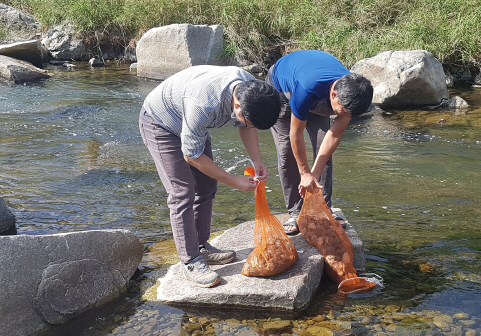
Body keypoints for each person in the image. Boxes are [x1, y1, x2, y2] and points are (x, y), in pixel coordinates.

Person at [139, 65, 281, 287]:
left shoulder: (252, 90)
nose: (247, 124)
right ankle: (191, 261)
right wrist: (233, 180)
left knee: (206, 186)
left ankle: (202, 247)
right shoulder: (204, 104)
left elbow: (246, 125)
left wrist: (257, 161)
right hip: (161, 123)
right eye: (247, 119)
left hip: (191, 124)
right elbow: (191, 155)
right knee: (182, 192)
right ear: (237, 106)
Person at [266, 50, 374, 235]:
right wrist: (304, 173)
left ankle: (323, 208)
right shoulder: (308, 88)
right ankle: (296, 211)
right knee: (286, 151)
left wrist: (314, 173)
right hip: (282, 89)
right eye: (344, 111)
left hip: (318, 90)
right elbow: (296, 132)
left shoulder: (353, 94)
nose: (346, 116)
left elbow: (333, 135)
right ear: (334, 94)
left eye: (351, 114)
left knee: (323, 147)